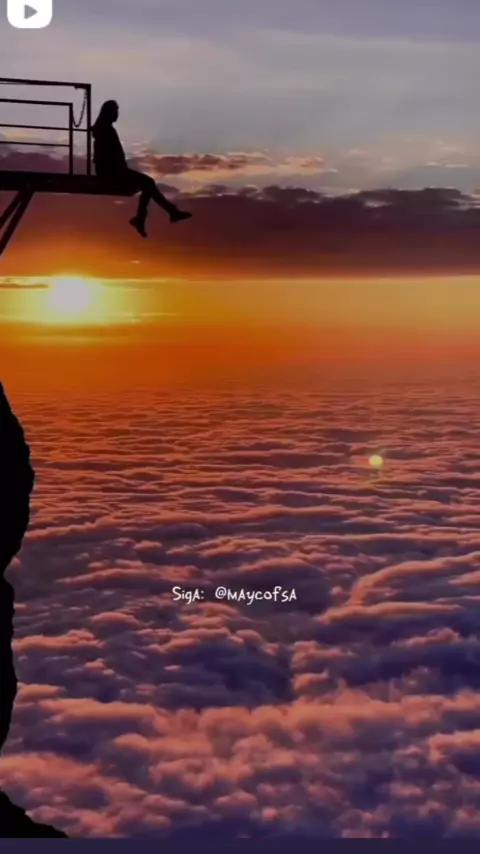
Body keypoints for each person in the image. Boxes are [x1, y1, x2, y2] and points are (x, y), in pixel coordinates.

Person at [91, 100, 191, 237]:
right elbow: (106, 155)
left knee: (147, 184)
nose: (117, 114)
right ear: (108, 113)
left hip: (114, 170)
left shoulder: (104, 129)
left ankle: (149, 216)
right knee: (148, 183)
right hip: (112, 172)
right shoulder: (106, 130)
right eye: (115, 111)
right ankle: (163, 214)